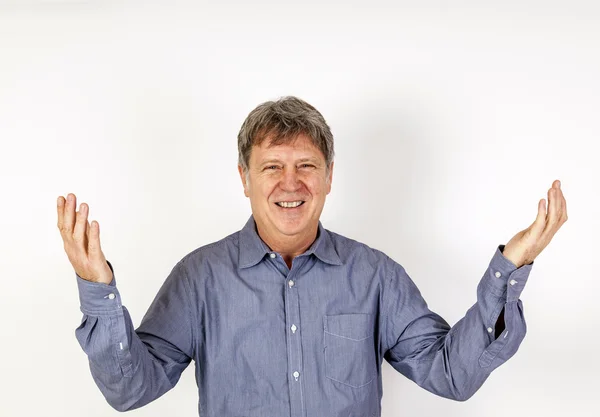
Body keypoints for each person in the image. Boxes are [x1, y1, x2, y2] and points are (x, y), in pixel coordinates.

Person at [57, 96, 568, 417]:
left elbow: (451, 375)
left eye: (307, 165)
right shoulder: (200, 279)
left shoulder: (375, 276)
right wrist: (99, 292)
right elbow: (131, 391)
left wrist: (509, 267)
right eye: (271, 167)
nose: (290, 183)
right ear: (244, 179)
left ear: (327, 178)